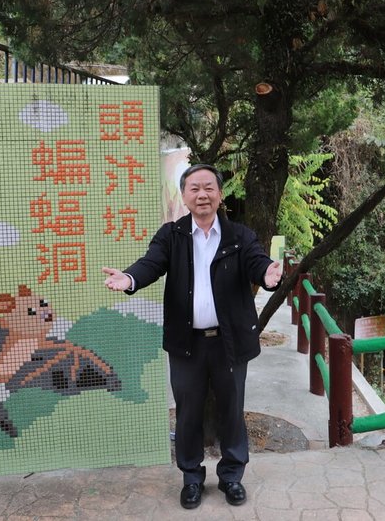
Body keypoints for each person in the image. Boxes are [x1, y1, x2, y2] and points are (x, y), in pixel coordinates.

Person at [102, 164, 282, 509]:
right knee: (188, 412)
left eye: (209, 188)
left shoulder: (239, 236)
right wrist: (129, 279)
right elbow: (151, 263)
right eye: (195, 188)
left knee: (232, 410)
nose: (203, 194)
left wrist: (268, 274)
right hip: (187, 344)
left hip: (229, 343)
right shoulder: (172, 235)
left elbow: (257, 262)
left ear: (220, 194)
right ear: (184, 196)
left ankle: (231, 477)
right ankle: (192, 478)